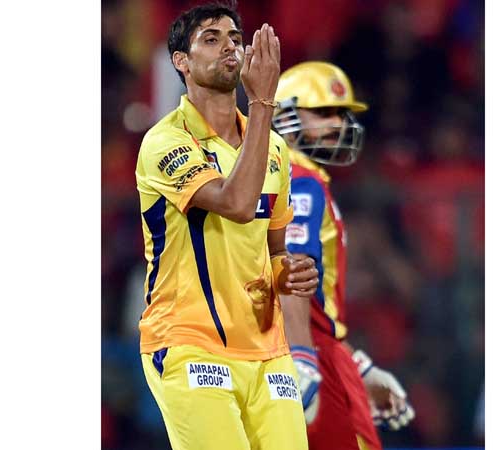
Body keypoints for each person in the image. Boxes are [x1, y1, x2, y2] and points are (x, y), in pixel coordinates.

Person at [135, 3, 319, 450]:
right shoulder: (166, 141)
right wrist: (262, 102)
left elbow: (274, 249)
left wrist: (289, 272)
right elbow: (236, 204)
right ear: (182, 61)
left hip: (268, 352)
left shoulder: (274, 149)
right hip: (190, 344)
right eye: (212, 39)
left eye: (235, 39)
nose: (229, 48)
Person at [272, 61, 416, 450]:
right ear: (284, 116)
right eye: (323, 112)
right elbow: (293, 278)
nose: (337, 123)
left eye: (341, 113)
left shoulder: (284, 178)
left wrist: (361, 367)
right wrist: (304, 356)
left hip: (303, 347)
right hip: (311, 351)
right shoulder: (301, 182)